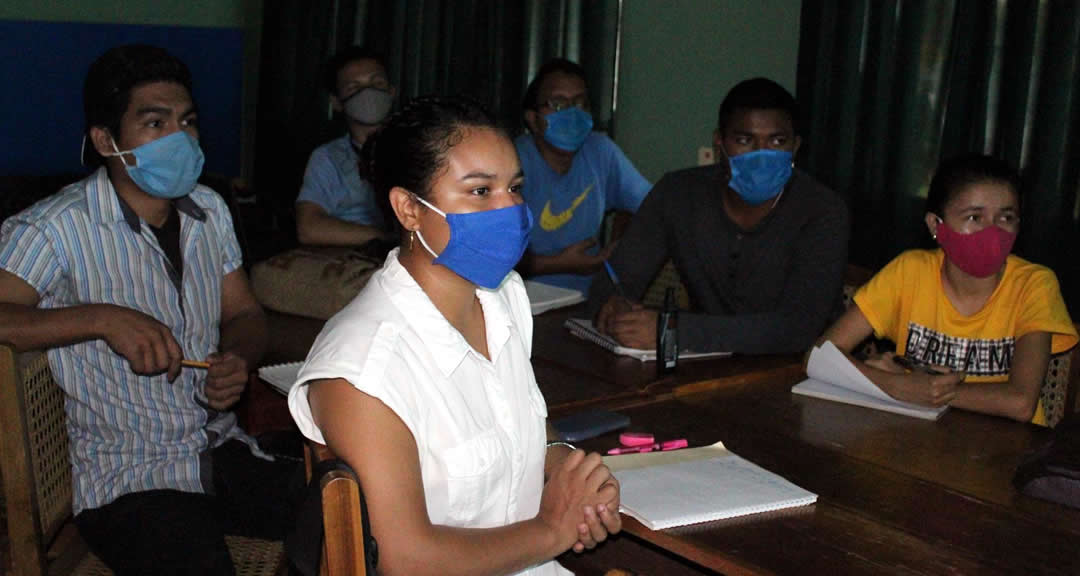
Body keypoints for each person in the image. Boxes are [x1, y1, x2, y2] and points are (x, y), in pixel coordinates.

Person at [288, 96, 621, 575]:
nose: (510, 209)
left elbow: (515, 416)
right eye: (480, 192)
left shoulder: (502, 297)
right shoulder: (364, 367)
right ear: (408, 209)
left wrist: (566, 470)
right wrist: (554, 528)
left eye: (515, 187)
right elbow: (404, 558)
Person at [0, 45, 298, 574]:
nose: (178, 139)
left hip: (219, 447)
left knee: (350, 516)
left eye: (187, 122)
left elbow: (246, 315)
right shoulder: (53, 229)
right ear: (105, 140)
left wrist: (237, 359)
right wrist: (102, 317)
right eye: (154, 123)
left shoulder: (209, 210)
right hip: (130, 478)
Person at [588, 77, 849, 355]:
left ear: (795, 147)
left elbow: (797, 330)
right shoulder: (678, 194)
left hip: (800, 375)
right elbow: (613, 280)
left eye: (776, 141)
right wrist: (612, 305)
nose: (761, 154)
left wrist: (675, 330)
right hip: (706, 368)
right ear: (719, 143)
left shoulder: (823, 210)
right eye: (745, 140)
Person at [817, 154, 1077, 425]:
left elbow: (1020, 402)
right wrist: (895, 384)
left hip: (1006, 452)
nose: (992, 232)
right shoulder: (910, 272)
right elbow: (821, 353)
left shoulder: (1034, 284)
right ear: (935, 225)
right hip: (918, 437)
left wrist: (917, 388)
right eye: (974, 217)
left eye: (1006, 217)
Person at [515, 58, 651, 293]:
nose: (572, 114)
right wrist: (558, 264)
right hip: (521, 301)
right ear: (533, 119)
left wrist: (618, 244)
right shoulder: (512, 160)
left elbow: (654, 206)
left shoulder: (600, 150)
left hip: (586, 301)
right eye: (558, 104)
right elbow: (485, 257)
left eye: (580, 103)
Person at [295, 46, 395, 246]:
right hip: (356, 257)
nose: (368, 93)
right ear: (336, 102)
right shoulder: (328, 157)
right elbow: (308, 228)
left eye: (377, 83)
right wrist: (388, 240)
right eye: (354, 88)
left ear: (392, 91)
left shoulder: (421, 148)